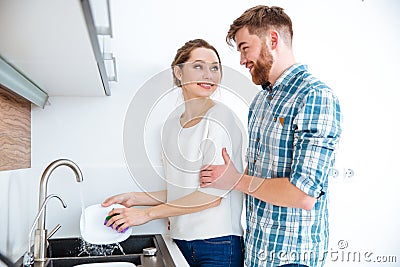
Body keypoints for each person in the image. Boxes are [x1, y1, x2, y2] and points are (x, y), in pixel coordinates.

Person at [200, 5, 342, 267]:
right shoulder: (260, 101)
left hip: (292, 258)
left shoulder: (315, 96)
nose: (242, 60)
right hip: (258, 252)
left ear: (273, 39)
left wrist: (235, 179)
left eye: (245, 48)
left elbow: (303, 194)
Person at [102, 39, 245, 267]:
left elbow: (211, 196)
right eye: (198, 66)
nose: (208, 74)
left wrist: (146, 215)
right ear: (178, 72)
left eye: (214, 67)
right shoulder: (170, 125)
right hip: (179, 241)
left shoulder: (221, 118)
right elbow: (183, 189)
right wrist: (136, 199)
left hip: (218, 244)